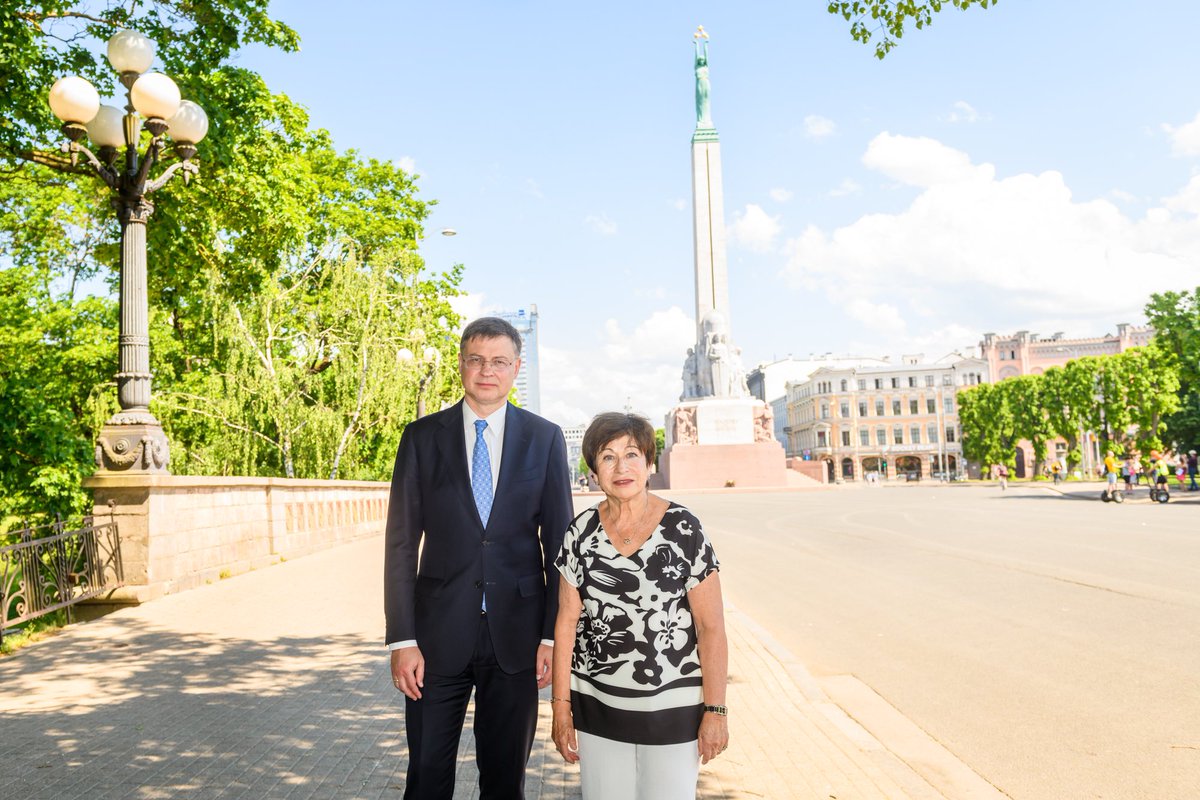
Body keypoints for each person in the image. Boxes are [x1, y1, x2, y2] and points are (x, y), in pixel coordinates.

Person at [384, 316, 574, 800]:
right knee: (426, 775)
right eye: (476, 360)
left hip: (517, 638)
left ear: (516, 368)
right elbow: (402, 543)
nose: (486, 371)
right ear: (461, 365)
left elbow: (558, 547)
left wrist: (551, 638)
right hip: (435, 638)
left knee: (505, 779)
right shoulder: (422, 437)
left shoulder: (545, 438)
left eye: (499, 361)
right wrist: (402, 639)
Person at [551, 412, 728, 799]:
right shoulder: (579, 533)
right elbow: (566, 623)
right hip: (598, 707)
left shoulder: (684, 528)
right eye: (607, 457)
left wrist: (715, 712)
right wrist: (561, 708)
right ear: (594, 471)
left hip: (674, 710)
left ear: (649, 463)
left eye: (631, 454)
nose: (621, 467)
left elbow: (711, 626)